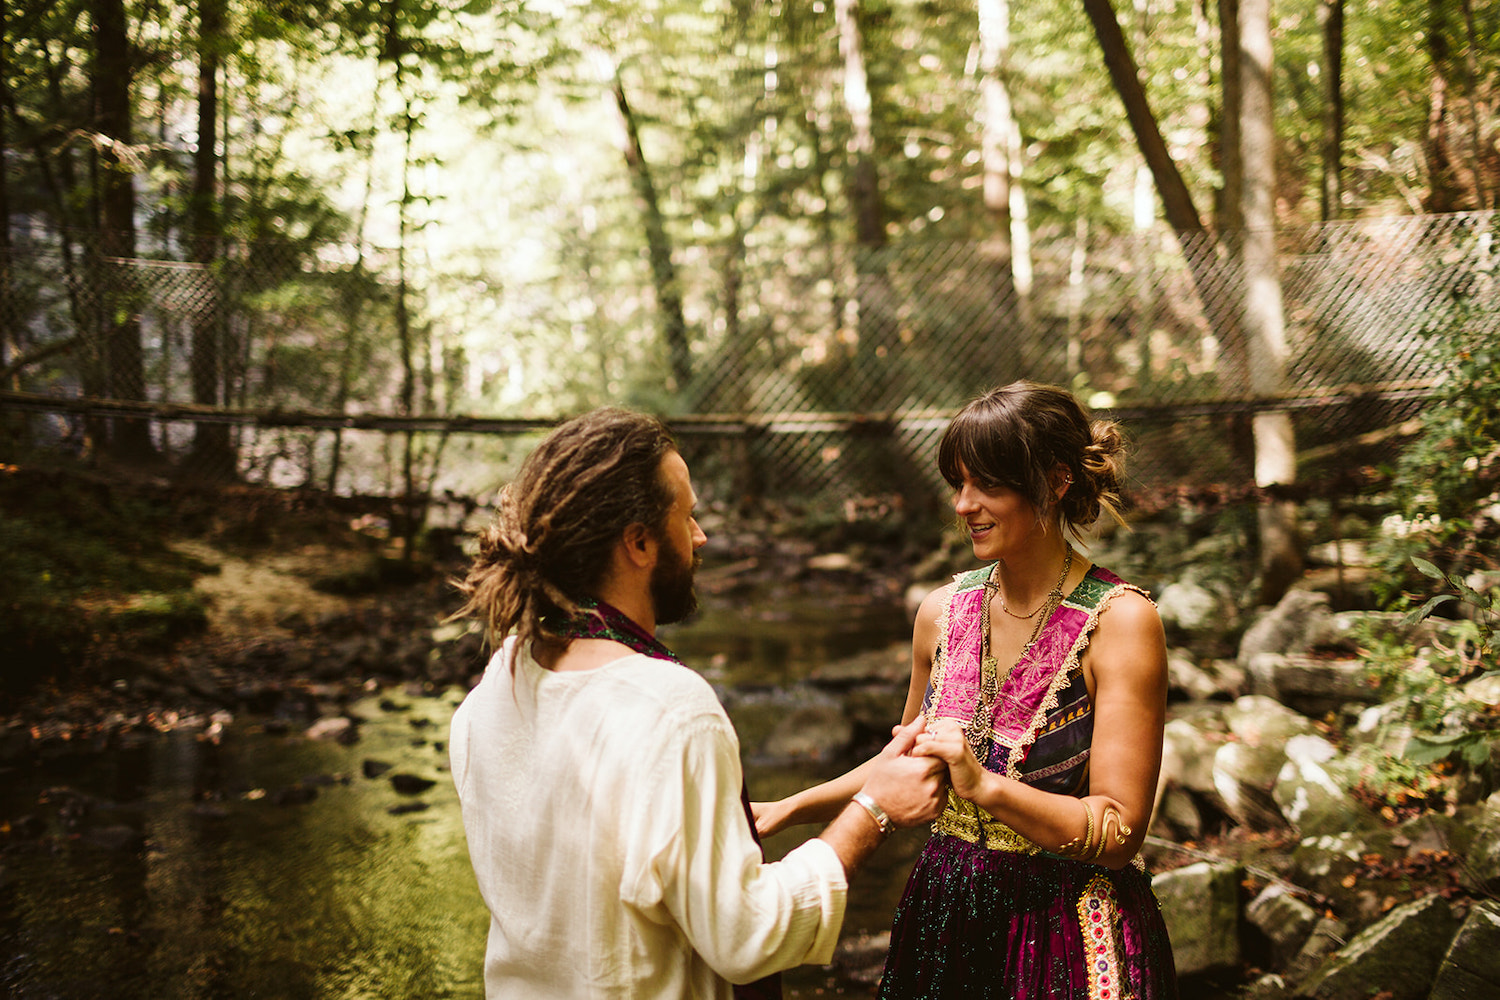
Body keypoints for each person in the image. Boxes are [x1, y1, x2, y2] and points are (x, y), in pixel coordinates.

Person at [447, 407, 948, 1000]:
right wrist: (873, 809)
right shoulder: (671, 707)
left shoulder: (493, 688)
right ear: (638, 542)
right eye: (686, 517)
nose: (702, 536)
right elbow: (748, 938)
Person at [754, 381, 1178, 999]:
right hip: (943, 910)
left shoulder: (1121, 623)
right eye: (958, 483)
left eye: (989, 485)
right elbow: (904, 760)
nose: (963, 504)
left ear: (1057, 480)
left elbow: (1117, 833)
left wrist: (984, 787)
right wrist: (792, 808)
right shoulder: (940, 611)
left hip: (1067, 935)